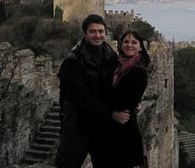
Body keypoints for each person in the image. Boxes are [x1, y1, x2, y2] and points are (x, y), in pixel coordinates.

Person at [56, 14, 131, 168]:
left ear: (105, 33)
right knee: (67, 164)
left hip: (101, 125)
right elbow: (82, 97)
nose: (97, 35)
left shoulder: (110, 55)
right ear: (85, 33)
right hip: (78, 125)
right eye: (93, 32)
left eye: (101, 31)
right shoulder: (73, 61)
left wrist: (130, 103)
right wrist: (112, 113)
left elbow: (116, 86)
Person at [101, 30, 151, 168]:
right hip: (107, 128)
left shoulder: (139, 72)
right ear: (121, 45)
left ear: (140, 47)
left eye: (134, 42)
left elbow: (125, 102)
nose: (130, 45)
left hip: (125, 130)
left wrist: (101, 99)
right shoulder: (114, 65)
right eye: (126, 42)